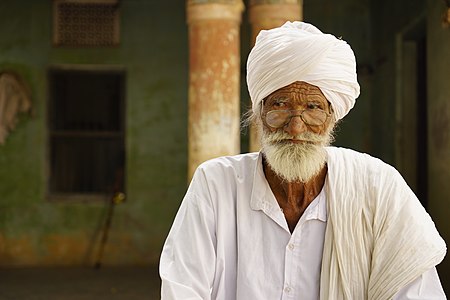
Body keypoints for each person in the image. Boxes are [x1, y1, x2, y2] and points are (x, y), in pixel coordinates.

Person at [160, 21, 447, 299]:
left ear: (332, 116)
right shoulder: (215, 184)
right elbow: (183, 287)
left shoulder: (378, 186)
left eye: (313, 107)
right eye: (280, 105)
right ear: (259, 114)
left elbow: (416, 291)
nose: (296, 127)